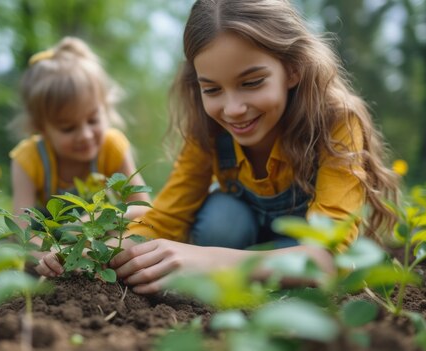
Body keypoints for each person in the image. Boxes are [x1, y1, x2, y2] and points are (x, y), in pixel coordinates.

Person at [109, 0, 401, 294]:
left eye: (252, 83)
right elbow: (165, 219)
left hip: (299, 248)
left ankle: (253, 279)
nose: (233, 109)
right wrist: (95, 252)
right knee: (222, 220)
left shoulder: (335, 123)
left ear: (292, 69)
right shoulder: (209, 130)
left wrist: (207, 259)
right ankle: (248, 279)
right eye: (212, 89)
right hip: (239, 241)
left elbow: (329, 257)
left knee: (308, 273)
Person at [9, 36, 150, 265]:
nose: (85, 135)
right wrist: (49, 258)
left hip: (101, 232)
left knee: (135, 238)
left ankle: (100, 263)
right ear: (41, 128)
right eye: (68, 128)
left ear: (105, 108)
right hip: (50, 238)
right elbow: (22, 230)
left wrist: (95, 223)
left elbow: (142, 208)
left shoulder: (111, 147)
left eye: (93, 120)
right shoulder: (28, 159)